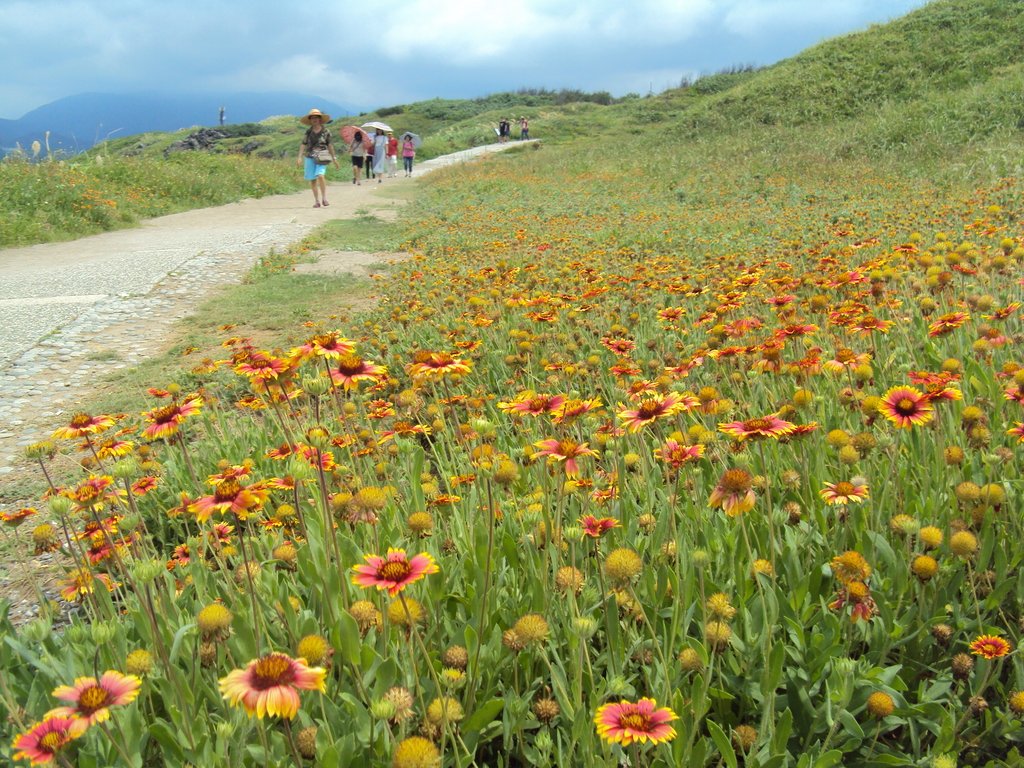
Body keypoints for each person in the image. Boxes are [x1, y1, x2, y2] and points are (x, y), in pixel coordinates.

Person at [297, 108, 338, 207]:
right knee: (312, 179)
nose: (314, 119)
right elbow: (303, 144)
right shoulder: (308, 131)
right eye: (312, 118)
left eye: (316, 117)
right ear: (310, 120)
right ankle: (316, 201)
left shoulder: (326, 131)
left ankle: (324, 198)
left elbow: (330, 145)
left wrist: (334, 158)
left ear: (320, 119)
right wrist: (299, 157)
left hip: (322, 156)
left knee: (320, 176)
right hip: (310, 156)